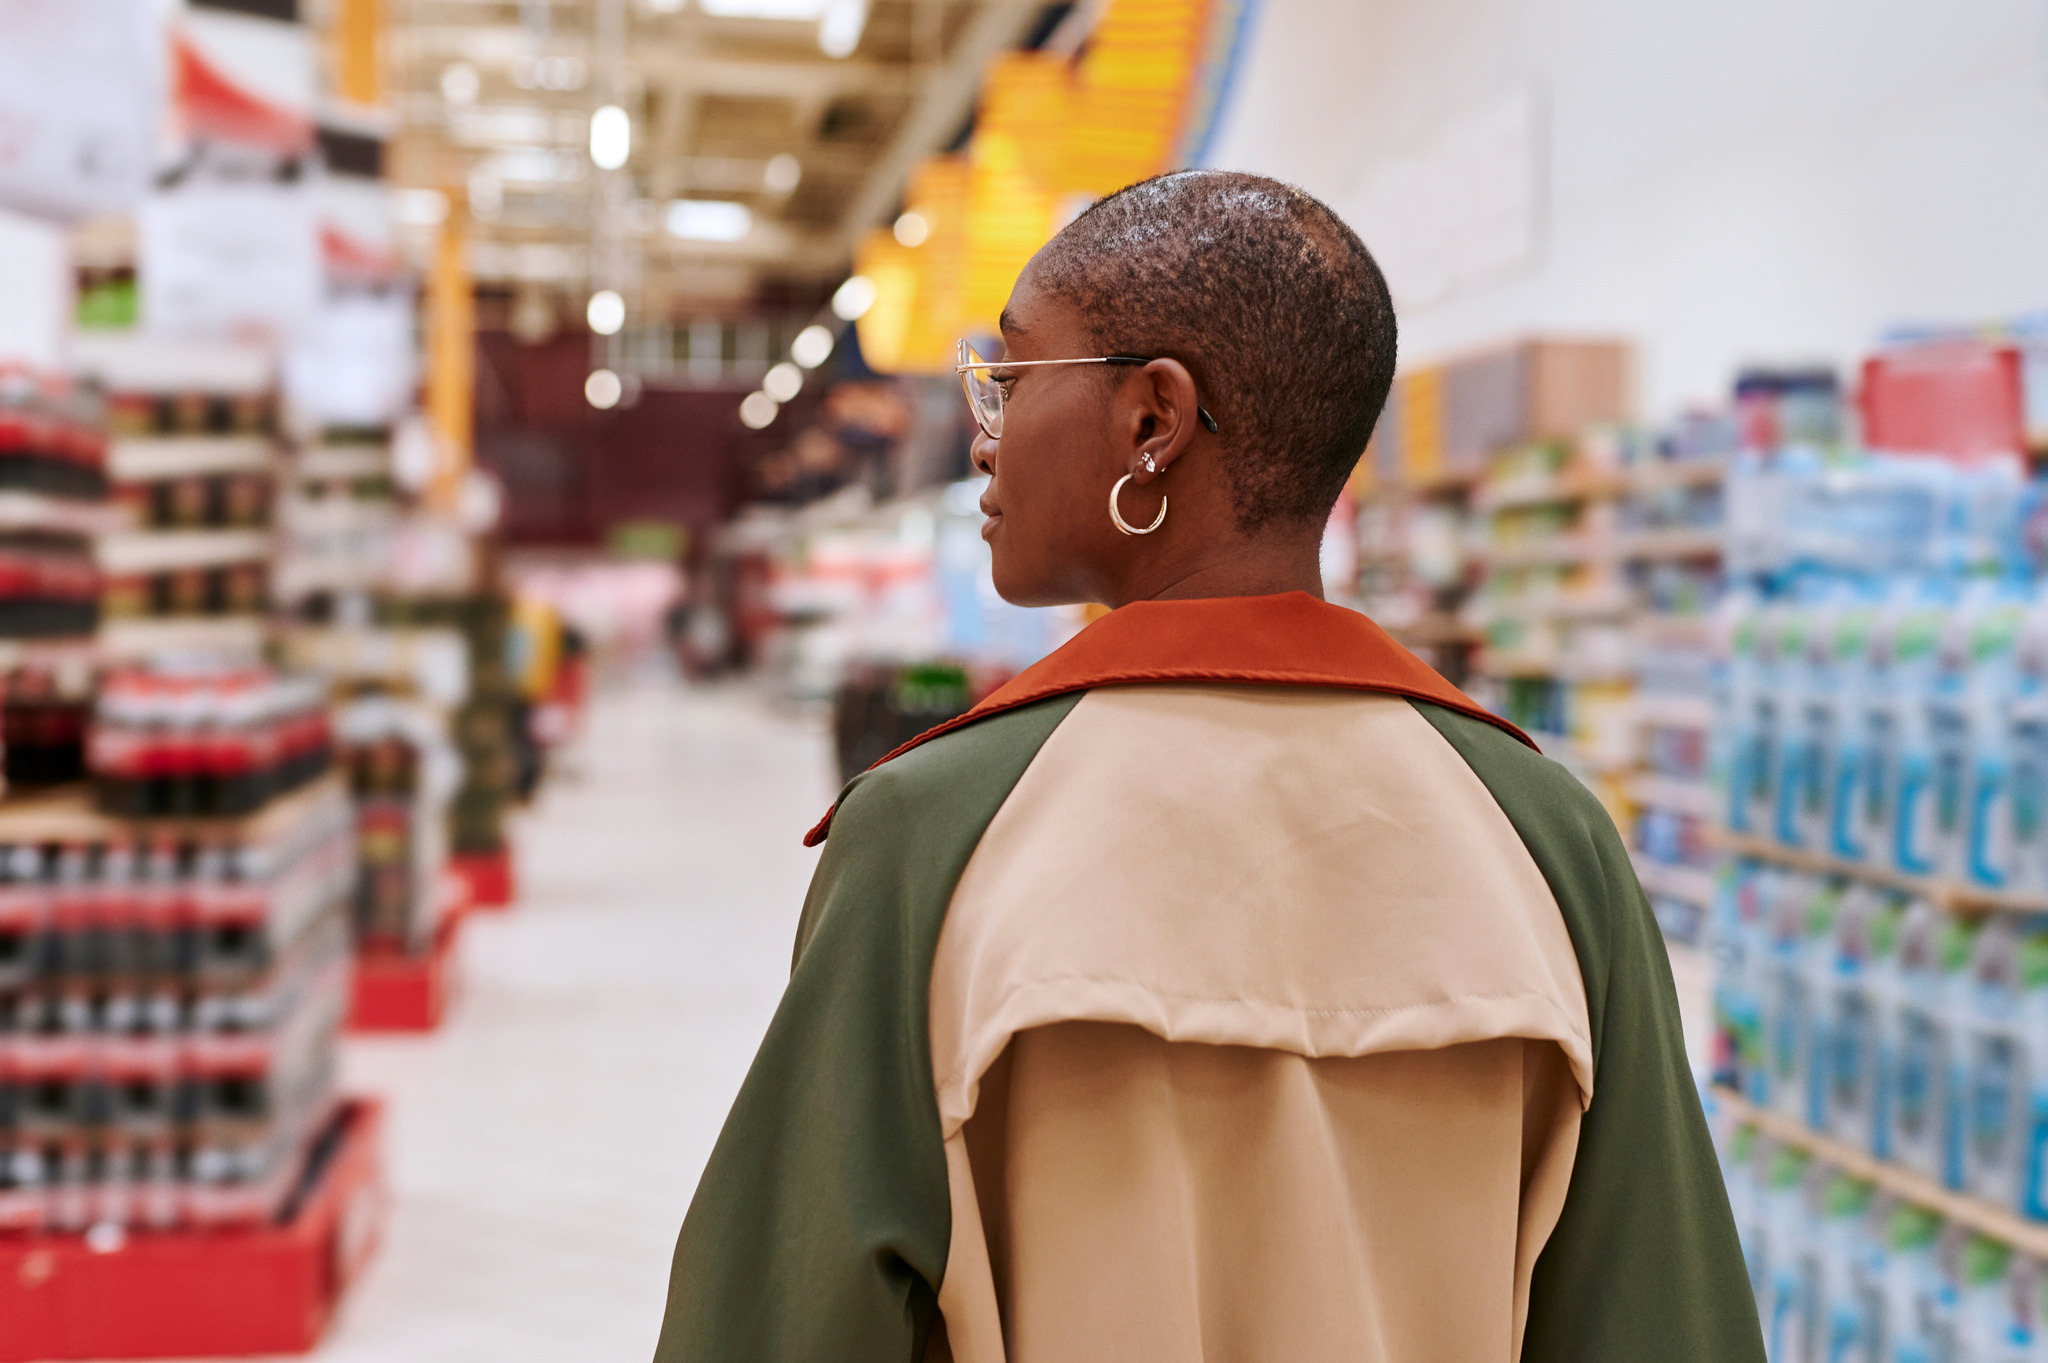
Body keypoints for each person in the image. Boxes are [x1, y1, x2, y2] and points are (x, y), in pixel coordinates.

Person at [654, 171, 1761, 1363]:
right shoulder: (1545, 841)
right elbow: (1660, 1317)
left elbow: (779, 1320)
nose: (984, 432)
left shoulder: (938, 835)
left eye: (1011, 378)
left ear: (1152, 420)